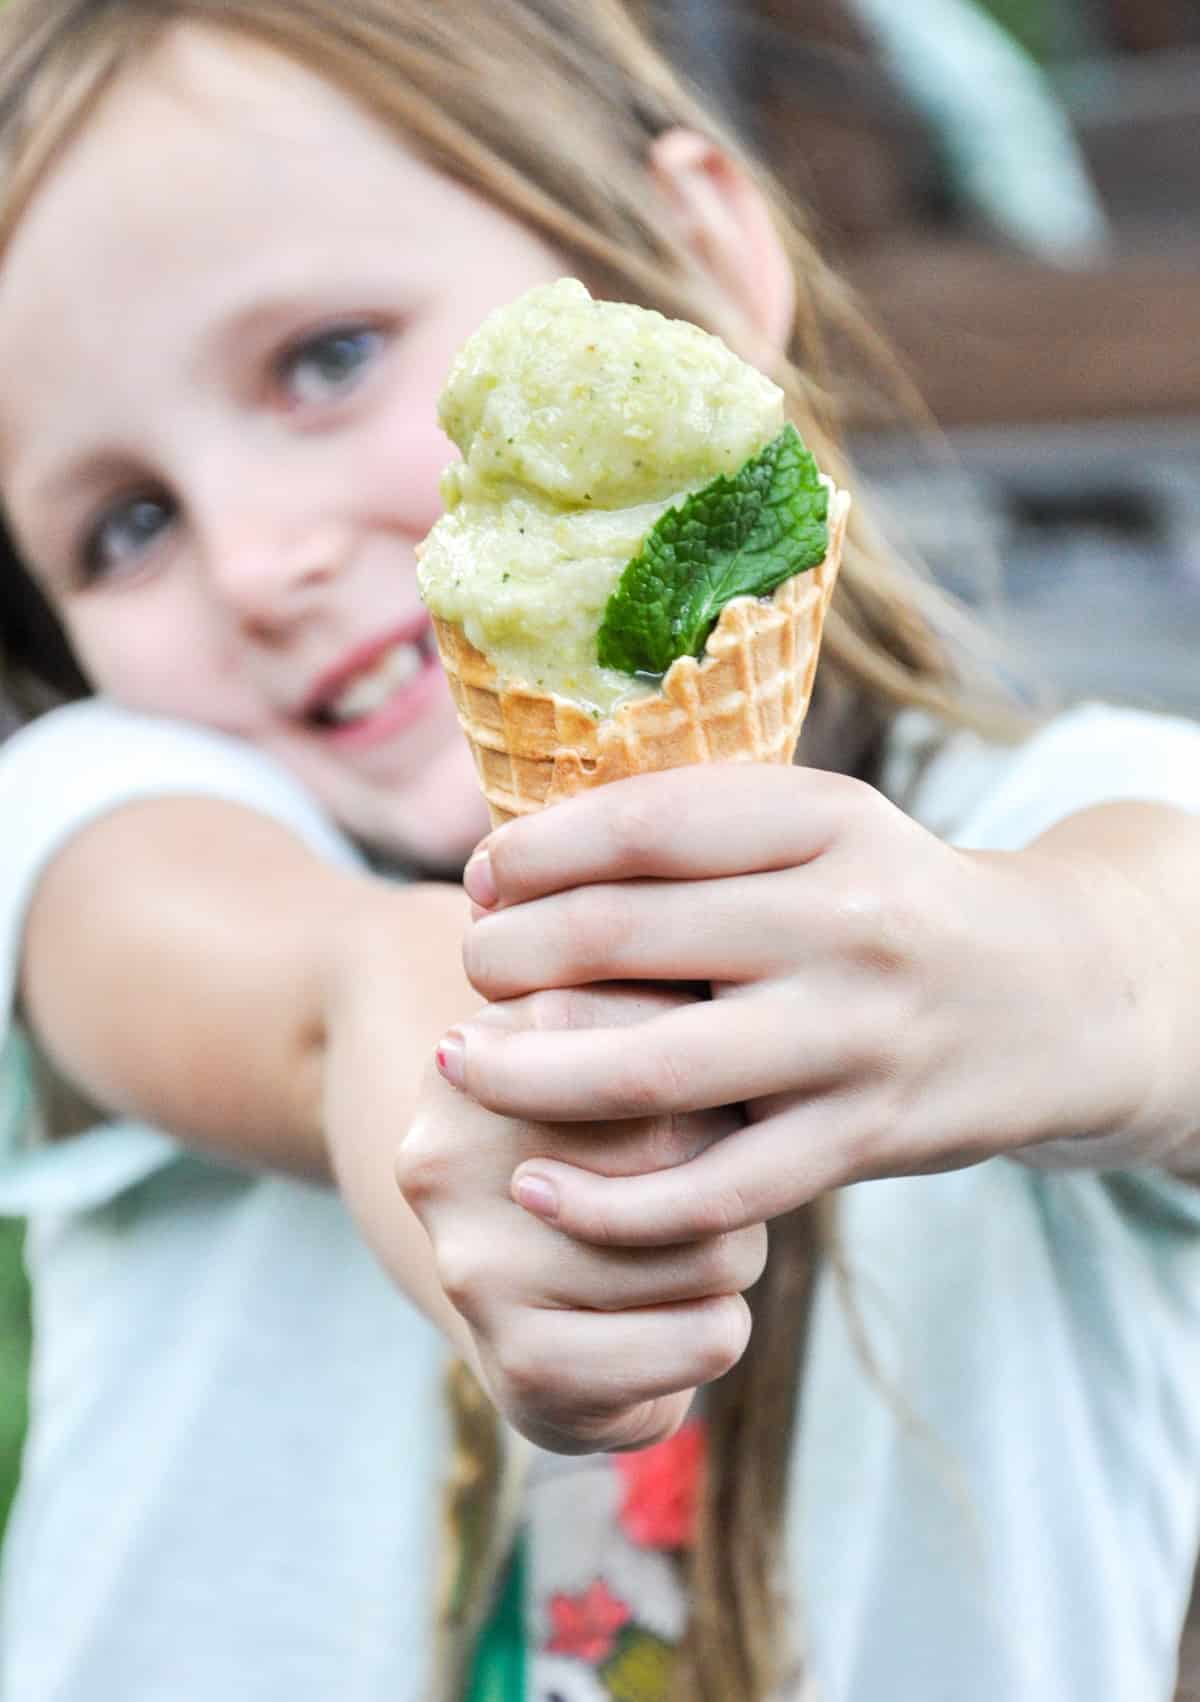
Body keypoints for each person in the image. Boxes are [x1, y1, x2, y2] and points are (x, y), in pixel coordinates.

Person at [0, 3, 1198, 1701]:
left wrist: (1059, 980)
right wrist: (426, 1046)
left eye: (328, 359)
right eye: (125, 524)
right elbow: (301, 988)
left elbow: (1163, 948)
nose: (257, 557)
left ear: (696, 255)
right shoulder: (111, 820)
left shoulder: (1064, 816)